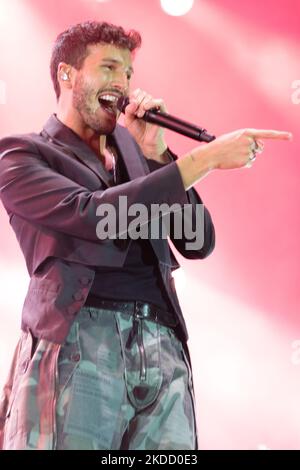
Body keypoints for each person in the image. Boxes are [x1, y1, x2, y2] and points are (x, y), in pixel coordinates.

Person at [0, 21, 291, 451]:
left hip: (163, 344)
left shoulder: (138, 161)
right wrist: (203, 159)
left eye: (129, 74)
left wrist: (158, 157)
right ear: (67, 74)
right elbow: (97, 217)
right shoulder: (24, 156)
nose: (123, 84)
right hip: (83, 341)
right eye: (110, 68)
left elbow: (197, 240)